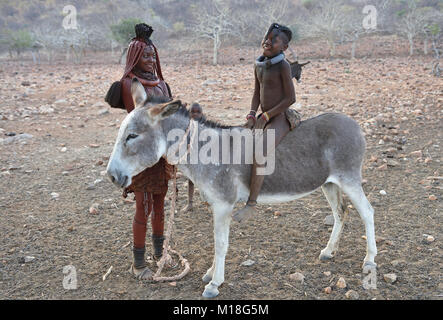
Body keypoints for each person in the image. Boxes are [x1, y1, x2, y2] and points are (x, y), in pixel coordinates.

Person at [120, 23, 174, 280]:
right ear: (134, 57)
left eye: (153, 55)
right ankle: (138, 263)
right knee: (143, 206)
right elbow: (142, 120)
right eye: (145, 56)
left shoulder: (162, 84)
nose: (151, 60)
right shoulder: (130, 84)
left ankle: (159, 253)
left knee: (160, 204)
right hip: (140, 154)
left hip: (160, 153)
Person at [233, 23, 298, 223]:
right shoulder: (259, 64)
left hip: (279, 117)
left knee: (260, 153)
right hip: (263, 115)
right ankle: (240, 188)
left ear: (284, 48)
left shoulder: (283, 65)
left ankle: (251, 204)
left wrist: (267, 116)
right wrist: (252, 115)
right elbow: (256, 93)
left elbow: (290, 98)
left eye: (274, 40)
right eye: (267, 38)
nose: (268, 42)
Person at [181, 103, 204, 213]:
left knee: (205, 181)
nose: (195, 114)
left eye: (198, 112)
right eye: (192, 111)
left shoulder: (205, 125)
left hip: (203, 158)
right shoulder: (186, 125)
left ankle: (209, 201)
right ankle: (190, 203)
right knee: (191, 180)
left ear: (202, 114)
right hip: (191, 158)